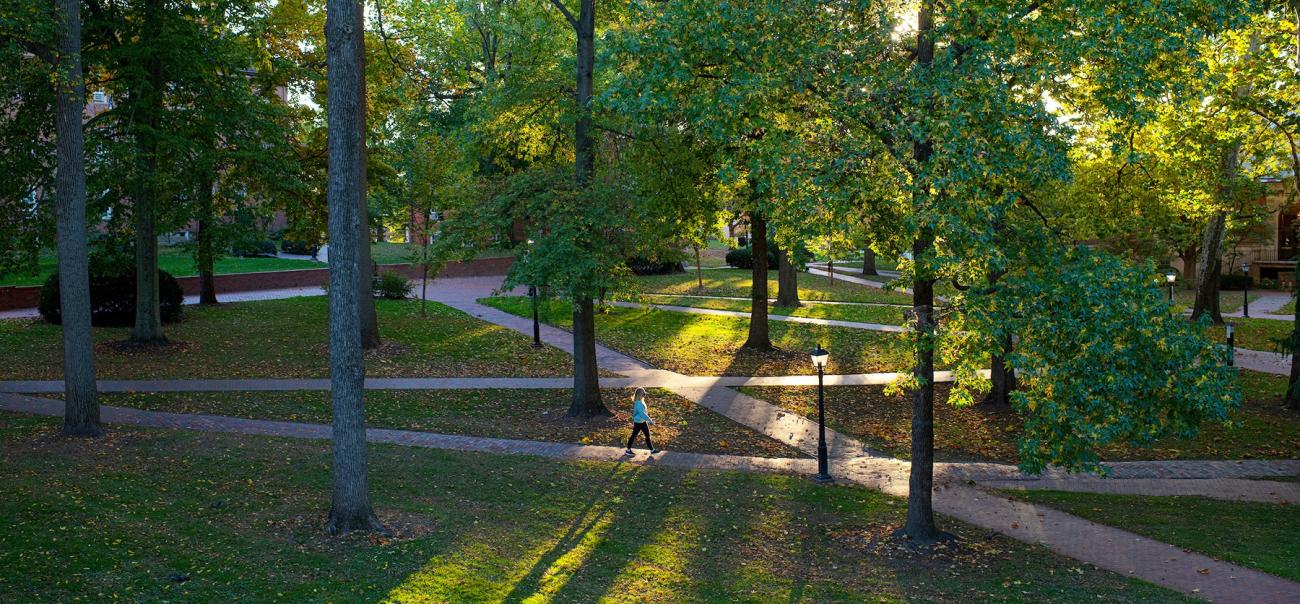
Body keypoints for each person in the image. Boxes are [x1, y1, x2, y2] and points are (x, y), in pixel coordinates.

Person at [625, 387, 659, 455]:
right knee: (634, 435)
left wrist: (648, 420)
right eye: (643, 394)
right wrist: (650, 420)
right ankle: (628, 450)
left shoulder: (641, 401)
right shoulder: (638, 403)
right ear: (640, 395)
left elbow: (644, 413)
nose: (644, 395)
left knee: (647, 435)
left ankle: (652, 450)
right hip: (638, 423)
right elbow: (642, 414)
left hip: (643, 422)